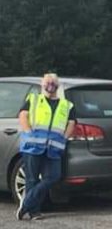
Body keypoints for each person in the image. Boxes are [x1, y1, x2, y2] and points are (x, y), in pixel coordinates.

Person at [16, 73, 77, 220]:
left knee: (53, 177)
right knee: (32, 179)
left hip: (54, 148)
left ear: (57, 86)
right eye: (47, 82)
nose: (50, 85)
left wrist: (64, 138)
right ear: (42, 84)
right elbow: (23, 115)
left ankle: (26, 203)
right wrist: (29, 132)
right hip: (33, 146)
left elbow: (71, 123)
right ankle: (34, 212)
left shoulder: (66, 105)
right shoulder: (34, 99)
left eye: (53, 83)